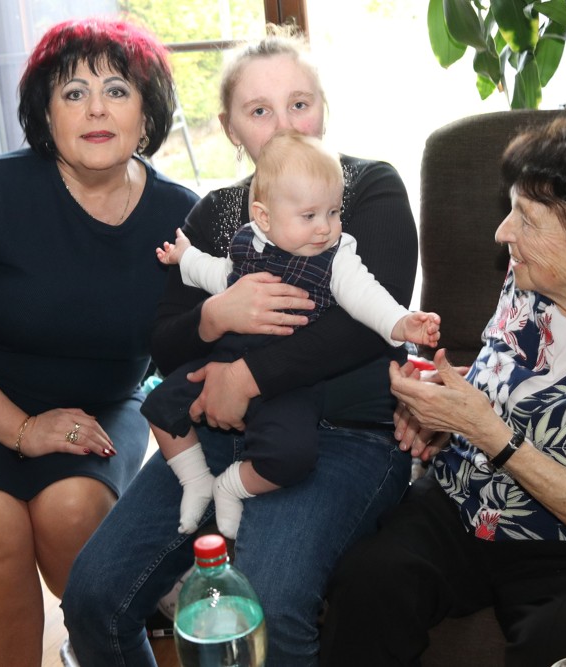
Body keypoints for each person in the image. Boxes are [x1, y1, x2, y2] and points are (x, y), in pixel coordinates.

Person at [62, 27, 418, 665]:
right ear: (230, 129)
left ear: (324, 109)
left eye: (299, 104)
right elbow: (165, 345)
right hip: (216, 434)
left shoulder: (365, 188)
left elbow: (368, 317)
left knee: (271, 605)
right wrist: (214, 316)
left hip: (346, 437)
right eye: (259, 111)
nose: (284, 125)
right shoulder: (216, 215)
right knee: (92, 595)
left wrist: (246, 376)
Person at [318, 112, 566, 667]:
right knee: (368, 584)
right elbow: (509, 377)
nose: (503, 232)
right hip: (468, 501)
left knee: (564, 641)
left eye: (527, 220)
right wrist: (444, 407)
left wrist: (486, 430)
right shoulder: (535, 273)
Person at [0, 18, 198, 665]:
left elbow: (193, 350)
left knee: (73, 508)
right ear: (46, 116)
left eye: (117, 89)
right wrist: (23, 429)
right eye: (73, 92)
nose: (96, 108)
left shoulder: (180, 214)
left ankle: (106, 640)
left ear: (146, 114)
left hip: (100, 404)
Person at [145, 130, 441, 539]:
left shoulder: (337, 257)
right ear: (264, 217)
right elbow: (216, 275)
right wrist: (186, 258)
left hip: (286, 381)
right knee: (159, 405)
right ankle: (195, 479)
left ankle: (231, 485)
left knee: (291, 455)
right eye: (309, 216)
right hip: (224, 363)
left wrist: (401, 322)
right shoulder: (246, 242)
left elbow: (367, 297)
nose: (325, 228)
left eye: (333, 213)